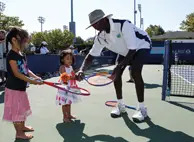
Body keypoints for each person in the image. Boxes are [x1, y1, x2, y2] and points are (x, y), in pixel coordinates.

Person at [77, 9, 151, 122]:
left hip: (141, 45)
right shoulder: (100, 37)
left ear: (105, 19)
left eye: (96, 23)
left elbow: (132, 49)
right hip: (125, 50)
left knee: (135, 72)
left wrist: (119, 66)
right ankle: (121, 105)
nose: (95, 26)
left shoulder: (123, 25)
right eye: (92, 25)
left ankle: (142, 109)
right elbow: (90, 56)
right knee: (116, 75)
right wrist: (81, 70)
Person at [2, 27, 43, 140]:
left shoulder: (21, 54)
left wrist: (36, 77)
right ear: (14, 40)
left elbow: (26, 70)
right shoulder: (11, 55)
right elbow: (16, 73)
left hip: (21, 88)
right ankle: (19, 133)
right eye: (24, 40)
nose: (26, 43)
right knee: (17, 112)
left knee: (22, 109)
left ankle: (23, 127)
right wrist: (32, 82)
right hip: (13, 89)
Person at [56, 49, 81, 123]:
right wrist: (73, 77)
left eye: (71, 58)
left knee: (69, 102)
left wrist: (77, 77)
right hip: (64, 88)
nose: (70, 60)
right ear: (62, 59)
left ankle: (69, 115)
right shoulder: (62, 67)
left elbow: (73, 75)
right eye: (67, 58)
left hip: (70, 87)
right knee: (65, 104)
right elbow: (64, 77)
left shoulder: (71, 67)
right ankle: (65, 117)